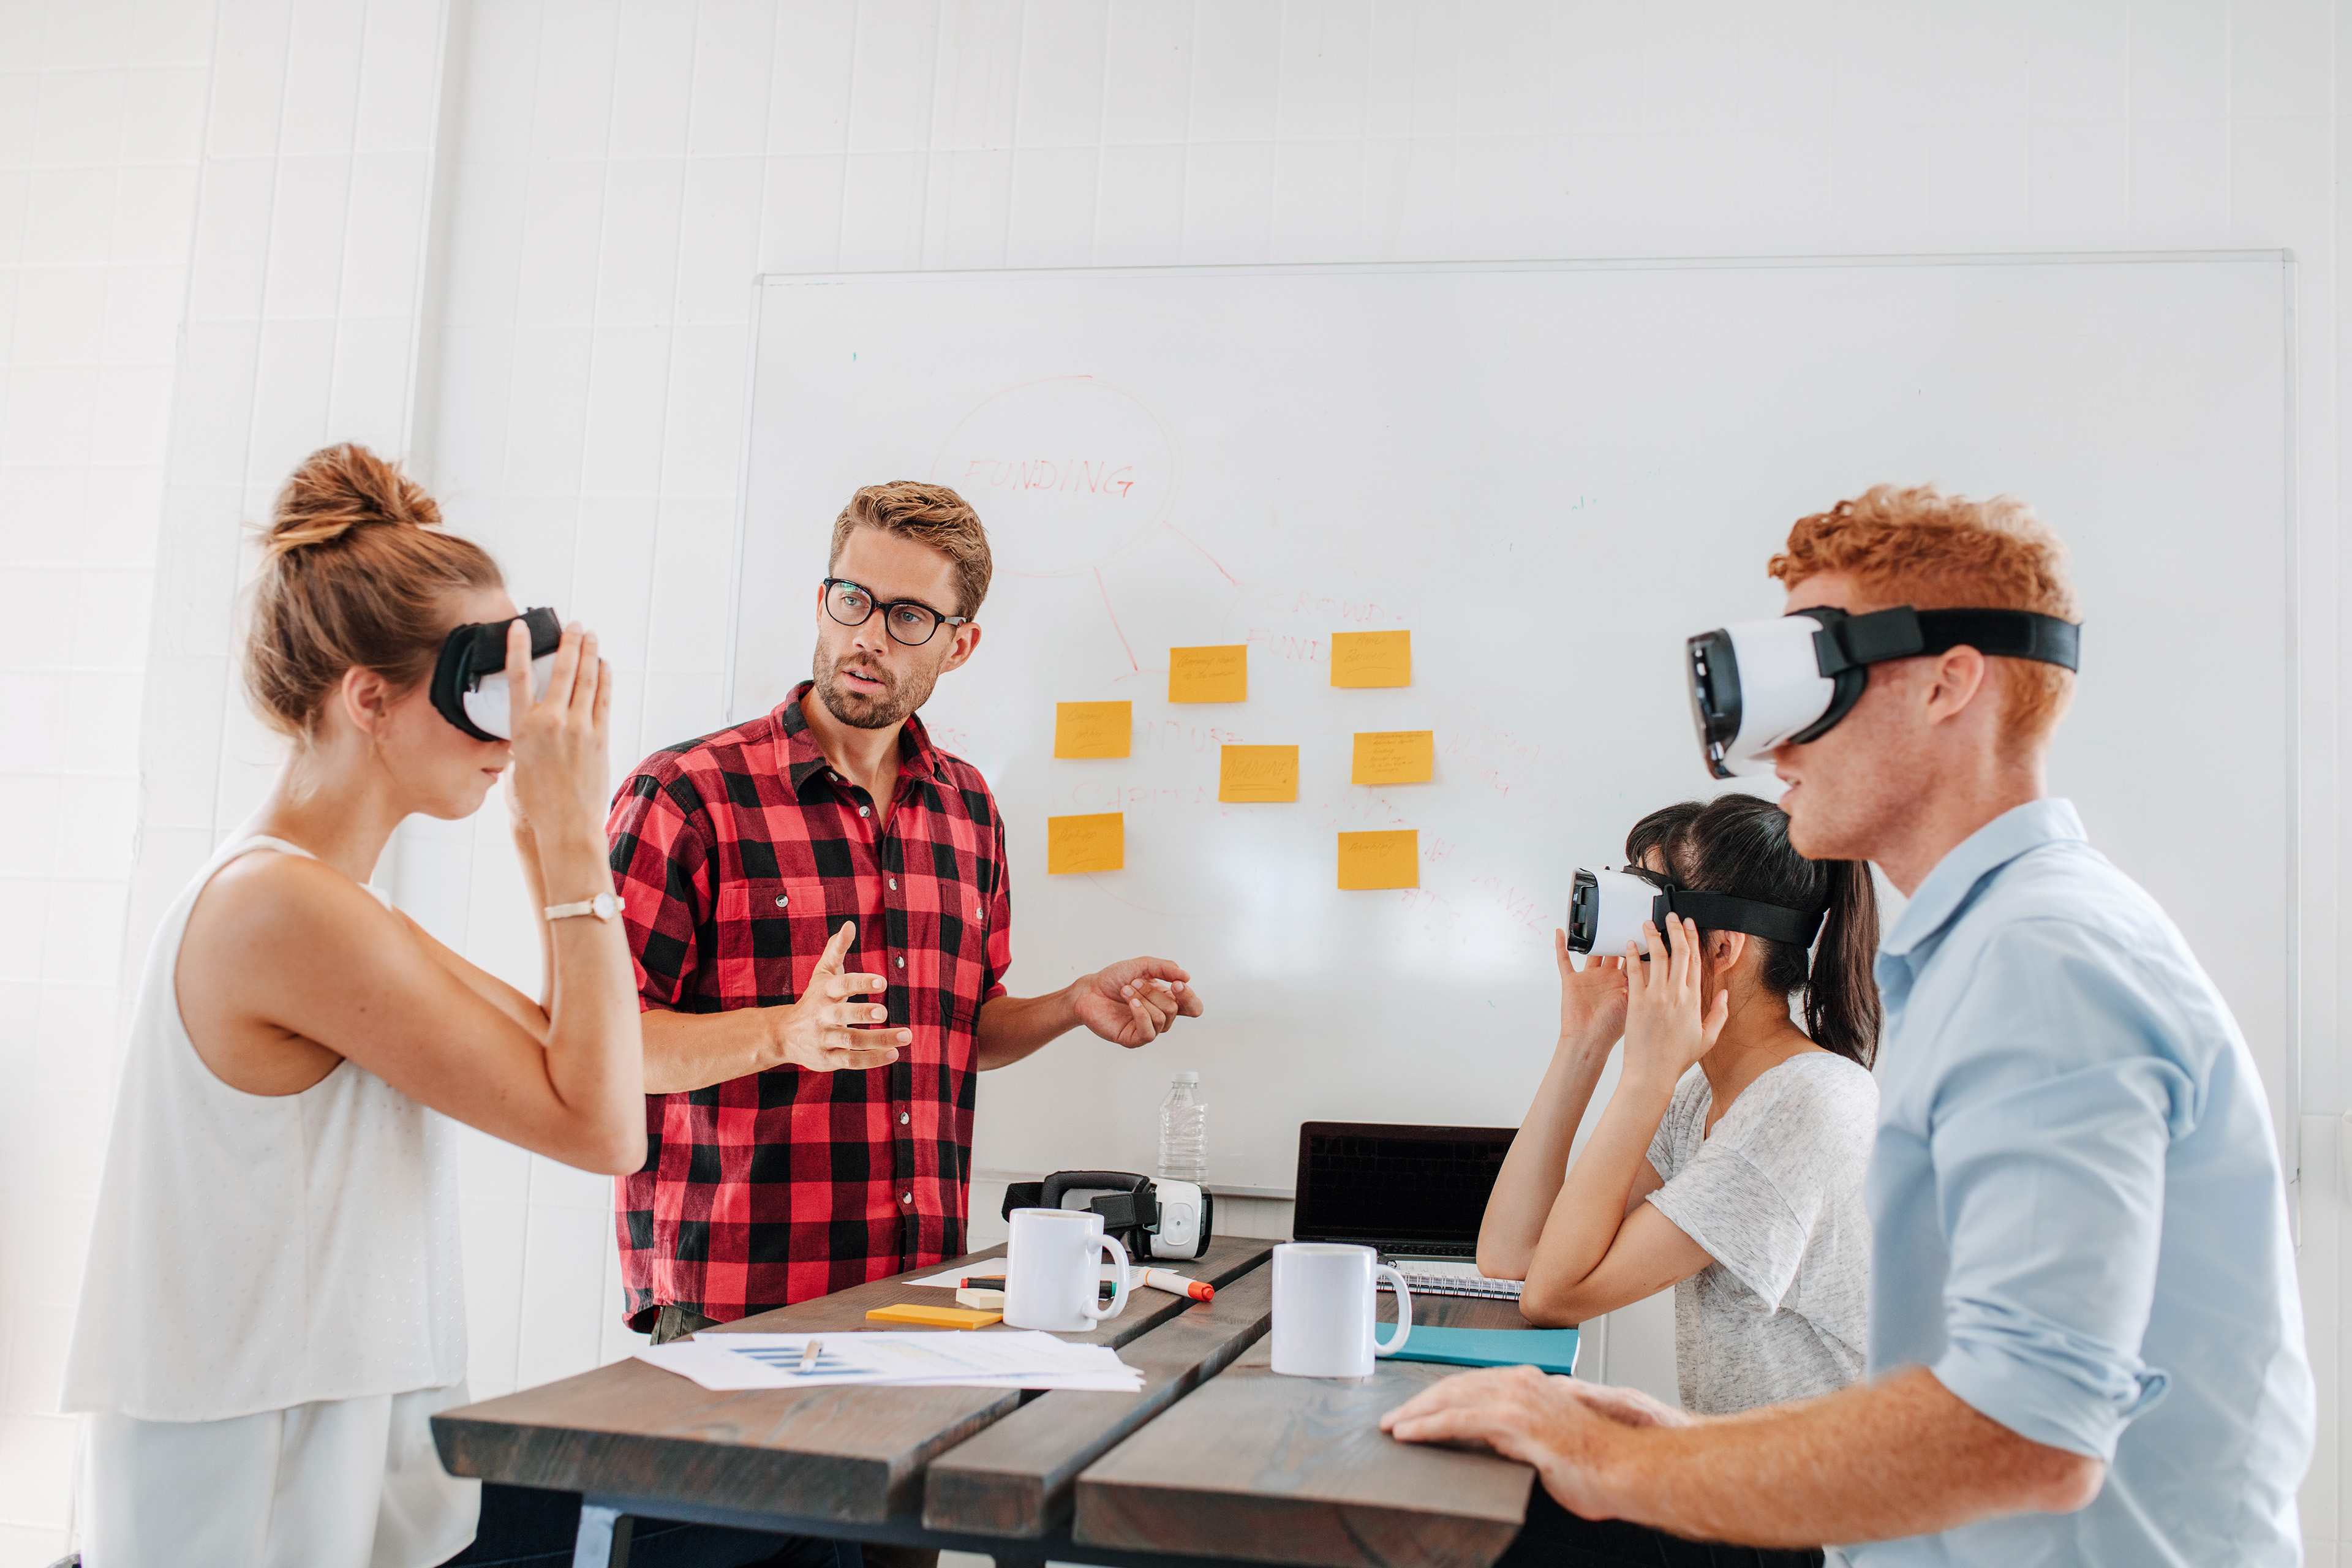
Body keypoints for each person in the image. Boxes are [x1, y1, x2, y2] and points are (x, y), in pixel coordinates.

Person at [1384, 485, 2314, 1566]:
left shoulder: (2043, 962)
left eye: (1814, 681)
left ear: (1948, 685)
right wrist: (1695, 1445)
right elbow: (1978, 1392)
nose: (1773, 751)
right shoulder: (1985, 953)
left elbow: (2031, 1435)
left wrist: (1625, 1468)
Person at [60, 445, 823, 1568]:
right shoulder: (277, 911)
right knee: (788, 1531)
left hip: (363, 1482)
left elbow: (592, 1068)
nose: (513, 731)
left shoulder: (318, 901)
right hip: (266, 1515)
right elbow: (605, 1128)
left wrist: (538, 840)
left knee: (792, 1519)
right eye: (484, 693)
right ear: (368, 699)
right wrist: (567, 830)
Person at [606, 480, 1204, 1344]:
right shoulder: (687, 797)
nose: (866, 638)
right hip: (737, 1305)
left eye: (909, 617)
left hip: (921, 1298)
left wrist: (1069, 1006)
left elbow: (959, 1028)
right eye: (852, 600)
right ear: (823, 598)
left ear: (960, 645)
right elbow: (602, 1047)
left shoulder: (968, 810)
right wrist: (783, 1034)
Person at [1482, 795, 1879, 1414]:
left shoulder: (1804, 1102)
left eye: (1649, 913)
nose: (1632, 943)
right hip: (1736, 1481)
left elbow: (1552, 1295)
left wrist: (1645, 1077)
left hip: (1815, 1499)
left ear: (1721, 949)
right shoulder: (1703, 1095)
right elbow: (1513, 1260)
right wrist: (1583, 1043)